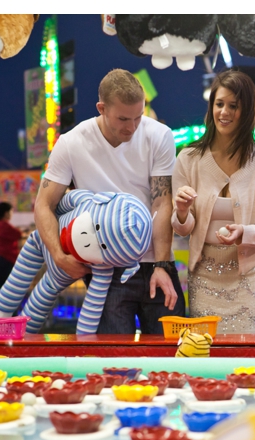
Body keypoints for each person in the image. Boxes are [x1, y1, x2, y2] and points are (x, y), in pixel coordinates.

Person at [35, 68, 185, 334]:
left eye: (138, 117)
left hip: (156, 262)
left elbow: (162, 203)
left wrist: (162, 265)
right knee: (113, 355)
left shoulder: (159, 135)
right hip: (105, 268)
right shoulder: (71, 143)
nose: (132, 127)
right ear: (101, 108)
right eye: (123, 118)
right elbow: (43, 204)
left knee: (172, 351)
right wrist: (58, 256)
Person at [171, 69, 255, 334]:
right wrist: (182, 211)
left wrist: (244, 233)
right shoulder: (188, 159)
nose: (224, 112)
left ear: (248, 111)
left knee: (248, 354)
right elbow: (181, 229)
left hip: (252, 279)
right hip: (204, 277)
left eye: (234, 106)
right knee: (204, 351)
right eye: (219, 104)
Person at [0, 202, 23, 294]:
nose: (12, 214)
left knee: (0, 283)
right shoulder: (3, 225)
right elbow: (18, 234)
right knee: (5, 286)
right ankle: (0, 302)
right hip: (4, 258)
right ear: (6, 213)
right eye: (11, 211)